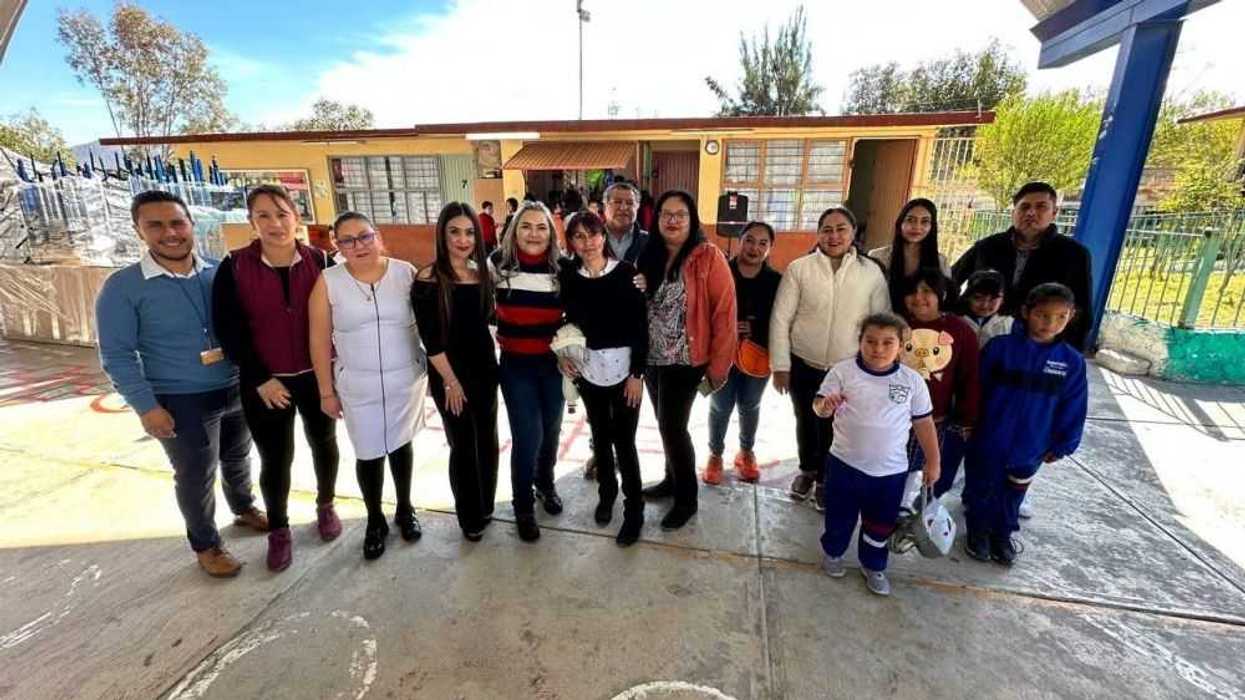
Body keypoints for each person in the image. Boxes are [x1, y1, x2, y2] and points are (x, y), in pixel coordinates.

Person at [96, 191, 267, 578]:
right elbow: (117, 355)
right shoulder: (123, 287)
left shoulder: (216, 274)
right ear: (140, 232)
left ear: (191, 225)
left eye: (177, 223)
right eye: (155, 225)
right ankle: (206, 544)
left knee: (238, 457)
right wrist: (146, 407)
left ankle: (243, 507)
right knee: (195, 473)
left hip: (234, 385)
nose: (169, 233)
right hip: (179, 398)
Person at [212, 184, 340, 572]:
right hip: (267, 383)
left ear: (296, 218)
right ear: (251, 222)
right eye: (263, 215)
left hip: (317, 377)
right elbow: (229, 329)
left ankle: (326, 506)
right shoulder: (233, 267)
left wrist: (331, 379)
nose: (275, 223)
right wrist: (260, 377)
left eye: (282, 214)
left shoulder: (321, 262)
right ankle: (279, 529)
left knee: (324, 444)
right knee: (276, 458)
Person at [309, 212, 427, 560]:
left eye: (364, 236)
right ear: (337, 246)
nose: (357, 246)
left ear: (377, 236)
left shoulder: (404, 273)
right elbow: (318, 340)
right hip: (357, 385)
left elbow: (430, 323)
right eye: (347, 240)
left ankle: (405, 509)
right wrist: (325, 391)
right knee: (369, 453)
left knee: (402, 446)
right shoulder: (328, 281)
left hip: (405, 378)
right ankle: (375, 519)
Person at [769, 207, 889, 511]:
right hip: (803, 363)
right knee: (806, 419)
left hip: (849, 369)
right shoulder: (800, 268)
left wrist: (877, 366)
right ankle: (807, 470)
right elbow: (781, 319)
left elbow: (881, 320)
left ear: (853, 233)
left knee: (838, 426)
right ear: (818, 234)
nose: (833, 236)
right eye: (826, 229)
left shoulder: (870, 272)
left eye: (841, 229)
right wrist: (781, 366)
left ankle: (826, 479)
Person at [963, 283, 1088, 566]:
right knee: (982, 488)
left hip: (1032, 445)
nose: (1050, 323)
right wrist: (968, 422)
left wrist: (1063, 443)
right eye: (1043, 315)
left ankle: (1002, 535)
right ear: (1026, 312)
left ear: (1071, 317)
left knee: (1014, 493)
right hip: (989, 438)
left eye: (1060, 317)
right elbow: (976, 389)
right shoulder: (1000, 349)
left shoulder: (1071, 362)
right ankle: (978, 532)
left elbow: (1074, 406)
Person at [816, 312, 940, 597]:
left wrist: (934, 461)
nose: (878, 349)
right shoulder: (843, 371)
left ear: (901, 345)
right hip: (844, 465)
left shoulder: (912, 381)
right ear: (860, 341)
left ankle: (873, 564)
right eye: (870, 341)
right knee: (839, 516)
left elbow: (923, 423)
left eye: (887, 342)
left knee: (880, 523)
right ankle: (833, 553)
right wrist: (825, 407)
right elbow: (819, 407)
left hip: (890, 473)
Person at [637, 190, 737, 530]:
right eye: (666, 213)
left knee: (673, 428)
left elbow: (724, 314)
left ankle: (687, 499)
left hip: (686, 359)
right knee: (665, 426)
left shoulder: (708, 256)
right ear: (657, 218)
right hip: (652, 359)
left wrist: (719, 367)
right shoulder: (649, 253)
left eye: (680, 213)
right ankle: (670, 481)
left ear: (692, 218)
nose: (673, 220)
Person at [558, 211, 649, 545]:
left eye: (593, 234)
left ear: (603, 236)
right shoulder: (570, 277)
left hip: (626, 373)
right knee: (600, 436)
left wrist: (637, 374)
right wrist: (563, 356)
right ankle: (607, 492)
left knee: (625, 443)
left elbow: (641, 328)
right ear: (571, 242)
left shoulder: (627, 274)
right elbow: (563, 321)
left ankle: (634, 509)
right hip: (590, 373)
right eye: (579, 237)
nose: (588, 243)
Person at [412, 202, 499, 542]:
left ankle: (486, 504)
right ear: (442, 234)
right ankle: (470, 517)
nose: (462, 240)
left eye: (468, 232)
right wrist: (450, 382)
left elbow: (487, 323)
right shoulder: (428, 278)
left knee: (487, 440)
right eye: (454, 232)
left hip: (484, 370)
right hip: (449, 374)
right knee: (462, 445)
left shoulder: (482, 272)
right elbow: (430, 340)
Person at [490, 200, 566, 542]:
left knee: (551, 429)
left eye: (541, 227)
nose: (534, 234)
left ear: (550, 233)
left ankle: (545, 485)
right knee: (527, 435)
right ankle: (522, 505)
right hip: (515, 364)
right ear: (514, 230)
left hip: (552, 364)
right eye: (526, 226)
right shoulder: (496, 265)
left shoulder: (562, 269)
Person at [952, 182, 1093, 350]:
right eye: (1024, 207)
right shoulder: (988, 247)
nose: (1031, 213)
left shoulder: (1073, 254)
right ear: (1014, 212)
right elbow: (951, 280)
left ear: (1054, 213)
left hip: (1038, 345)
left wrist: (1065, 353)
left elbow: (1081, 308)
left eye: (1041, 207)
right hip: (984, 340)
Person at [703, 221, 782, 485]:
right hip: (722, 354)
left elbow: (781, 321)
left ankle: (746, 452)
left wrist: (754, 326)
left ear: (770, 248)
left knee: (750, 405)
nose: (754, 247)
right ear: (740, 241)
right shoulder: (720, 271)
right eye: (749, 240)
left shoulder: (776, 281)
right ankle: (715, 454)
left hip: (757, 356)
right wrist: (727, 325)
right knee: (720, 406)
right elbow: (705, 309)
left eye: (763, 243)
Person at [896, 269, 980, 497]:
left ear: (941, 294)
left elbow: (969, 377)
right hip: (894, 413)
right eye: (912, 292)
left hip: (933, 416)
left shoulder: (960, 330)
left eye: (927, 291)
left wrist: (967, 417)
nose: (918, 297)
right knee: (892, 462)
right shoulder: (895, 325)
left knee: (918, 462)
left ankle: (904, 505)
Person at [868, 198, 952, 312]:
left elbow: (943, 302)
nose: (917, 227)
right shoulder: (878, 256)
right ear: (900, 223)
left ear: (932, 227)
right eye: (910, 220)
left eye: (924, 221)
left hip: (923, 324)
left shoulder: (941, 262)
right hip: (885, 320)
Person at [958, 269, 1015, 348]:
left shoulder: (1010, 324)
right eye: (978, 298)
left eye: (992, 299)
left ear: (1002, 300)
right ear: (968, 297)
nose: (984, 305)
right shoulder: (957, 320)